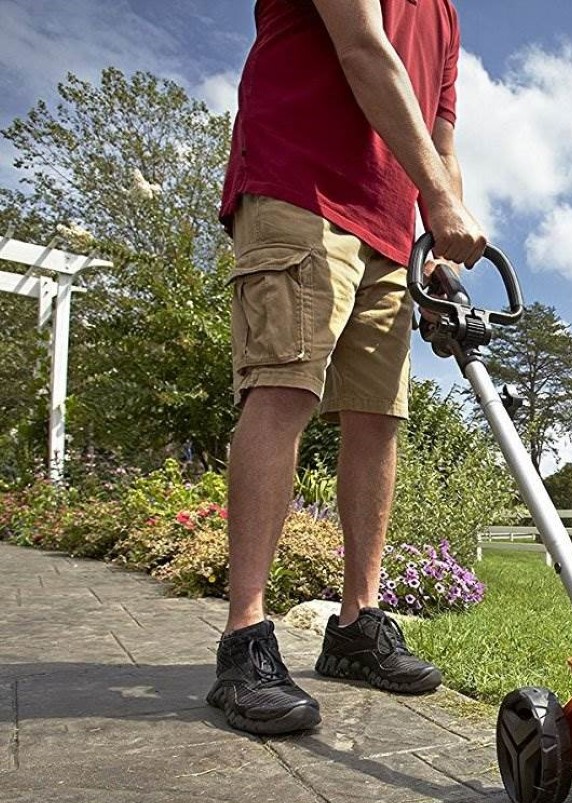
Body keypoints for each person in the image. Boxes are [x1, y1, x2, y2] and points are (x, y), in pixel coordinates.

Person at [207, 0, 486, 736]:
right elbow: (363, 48)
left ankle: (358, 627)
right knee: (283, 389)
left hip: (393, 231)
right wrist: (438, 197)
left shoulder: (447, 16)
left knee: (379, 418)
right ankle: (245, 638)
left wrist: (438, 239)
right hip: (302, 188)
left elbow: (441, 134)